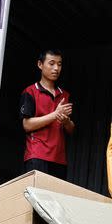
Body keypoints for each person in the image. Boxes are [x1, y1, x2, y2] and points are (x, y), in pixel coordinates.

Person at [19, 49, 75, 179]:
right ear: (40, 64)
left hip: (59, 159)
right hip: (37, 155)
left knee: (54, 199)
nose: (56, 68)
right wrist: (55, 115)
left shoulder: (65, 95)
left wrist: (66, 121)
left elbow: (71, 130)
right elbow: (27, 125)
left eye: (59, 64)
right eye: (51, 63)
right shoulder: (30, 91)